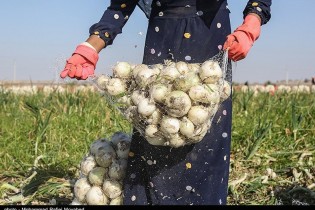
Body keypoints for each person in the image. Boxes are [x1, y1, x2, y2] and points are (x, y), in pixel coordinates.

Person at [60, 0, 272, 205]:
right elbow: (120, 6)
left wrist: (252, 22)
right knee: (155, 132)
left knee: (206, 144)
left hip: (210, 39)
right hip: (161, 39)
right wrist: (90, 46)